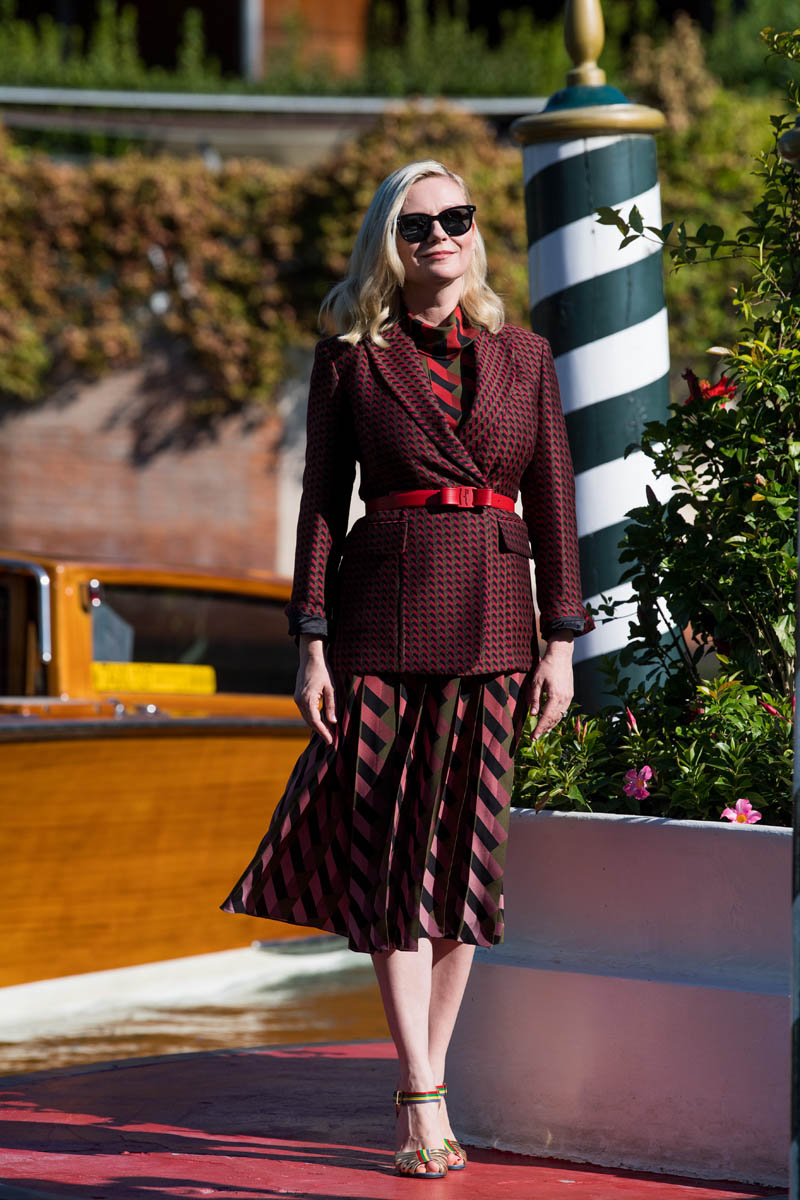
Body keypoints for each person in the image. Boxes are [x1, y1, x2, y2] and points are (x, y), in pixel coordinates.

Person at [222, 159, 593, 1179]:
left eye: (455, 218)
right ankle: (421, 1090)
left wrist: (562, 639)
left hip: (498, 625)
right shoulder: (351, 360)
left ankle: (424, 1080)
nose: (439, 236)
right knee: (396, 858)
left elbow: (554, 499)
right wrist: (308, 639)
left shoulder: (525, 356)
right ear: (388, 242)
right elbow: (318, 503)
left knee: (465, 862)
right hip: (380, 623)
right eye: (417, 223)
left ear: (476, 233)